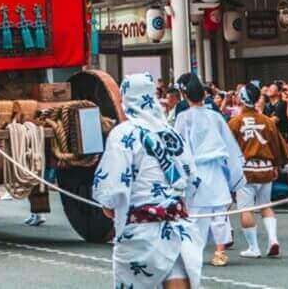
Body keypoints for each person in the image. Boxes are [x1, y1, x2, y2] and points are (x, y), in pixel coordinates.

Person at [93, 73, 201, 289]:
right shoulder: (170, 133)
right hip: (176, 225)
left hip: (141, 229)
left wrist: (109, 206)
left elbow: (111, 186)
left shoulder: (124, 133)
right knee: (176, 272)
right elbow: (191, 176)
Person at [174, 73, 245, 267]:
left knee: (196, 213)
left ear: (184, 94)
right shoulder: (216, 117)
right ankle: (220, 251)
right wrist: (234, 173)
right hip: (217, 169)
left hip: (195, 169)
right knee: (218, 212)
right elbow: (229, 146)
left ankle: (194, 251)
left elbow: (179, 149)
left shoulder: (183, 117)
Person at [228, 82, 288, 259]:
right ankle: (273, 239)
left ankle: (254, 248)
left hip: (245, 171)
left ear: (242, 98)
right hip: (266, 169)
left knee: (245, 209)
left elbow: (227, 149)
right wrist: (277, 165)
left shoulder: (235, 122)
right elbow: (277, 146)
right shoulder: (267, 121)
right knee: (265, 205)